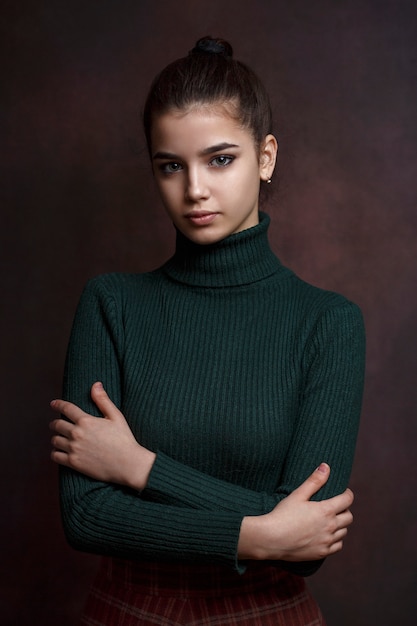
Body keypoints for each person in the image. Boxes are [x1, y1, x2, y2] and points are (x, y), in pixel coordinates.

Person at [50, 36, 365, 626]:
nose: (194, 189)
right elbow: (86, 517)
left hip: (268, 614)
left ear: (266, 156)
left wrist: (140, 467)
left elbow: (311, 538)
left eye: (220, 159)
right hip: (128, 611)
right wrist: (260, 534)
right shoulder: (111, 304)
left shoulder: (328, 322)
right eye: (170, 165)